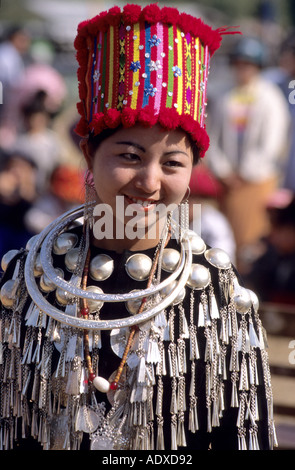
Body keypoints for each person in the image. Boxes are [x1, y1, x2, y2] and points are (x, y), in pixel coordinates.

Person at [0, 4, 275, 451]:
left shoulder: (217, 291)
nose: (149, 182)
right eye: (128, 156)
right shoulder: (24, 282)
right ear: (89, 157)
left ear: (192, 172)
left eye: (172, 163)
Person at [207, 36, 290, 267]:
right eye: (239, 63)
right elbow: (212, 135)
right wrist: (223, 170)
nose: (242, 69)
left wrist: (246, 172)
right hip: (225, 181)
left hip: (257, 180)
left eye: (248, 64)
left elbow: (272, 141)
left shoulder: (270, 97)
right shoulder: (224, 95)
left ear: (257, 67)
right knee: (225, 239)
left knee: (251, 240)